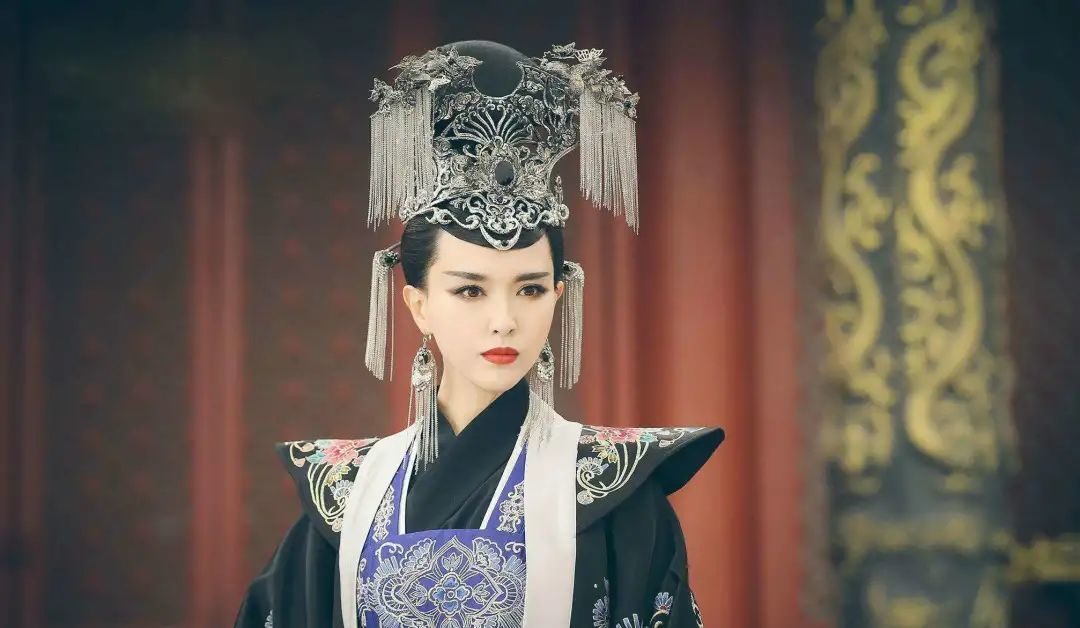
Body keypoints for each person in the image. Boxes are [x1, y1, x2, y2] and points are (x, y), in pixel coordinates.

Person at [235, 40, 724, 628]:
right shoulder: (347, 495)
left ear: (559, 296)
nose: (504, 319)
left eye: (530, 289)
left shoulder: (613, 491)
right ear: (418, 305)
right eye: (470, 291)